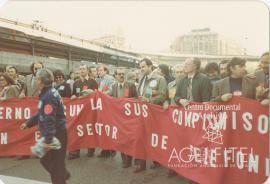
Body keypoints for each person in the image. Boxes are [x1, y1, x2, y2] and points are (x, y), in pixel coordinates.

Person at [20, 68, 70, 184]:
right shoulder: (47, 93)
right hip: (56, 132)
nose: (36, 81)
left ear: (41, 81)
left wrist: (48, 141)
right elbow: (42, 112)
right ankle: (62, 174)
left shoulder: (48, 96)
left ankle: (62, 175)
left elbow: (49, 119)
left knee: (52, 162)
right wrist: (28, 123)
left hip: (56, 134)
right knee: (52, 162)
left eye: (37, 79)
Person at [135, 58, 168, 173]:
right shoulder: (141, 79)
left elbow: (163, 96)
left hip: (154, 114)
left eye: (143, 67)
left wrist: (149, 100)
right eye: (140, 67)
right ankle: (141, 163)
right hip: (142, 113)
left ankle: (157, 159)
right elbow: (139, 94)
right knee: (141, 137)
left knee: (154, 138)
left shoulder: (160, 79)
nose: (142, 69)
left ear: (150, 66)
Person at [69, 64, 98, 160]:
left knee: (89, 128)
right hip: (79, 110)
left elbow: (97, 95)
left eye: (84, 69)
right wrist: (73, 96)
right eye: (80, 69)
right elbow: (73, 94)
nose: (82, 70)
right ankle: (75, 151)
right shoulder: (76, 82)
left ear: (87, 70)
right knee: (78, 129)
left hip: (90, 110)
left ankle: (91, 148)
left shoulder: (93, 81)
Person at [110, 67, 137, 168]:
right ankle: (123, 158)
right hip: (118, 117)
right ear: (116, 76)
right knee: (120, 138)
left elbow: (136, 98)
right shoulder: (113, 86)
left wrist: (128, 102)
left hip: (128, 117)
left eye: (123, 74)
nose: (121, 76)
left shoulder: (130, 85)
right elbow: (111, 98)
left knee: (128, 138)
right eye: (119, 74)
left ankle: (128, 159)